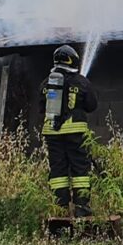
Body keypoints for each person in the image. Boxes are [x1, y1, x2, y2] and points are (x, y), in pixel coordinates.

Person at [42, 44, 98, 217]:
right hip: (75, 134)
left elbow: (40, 107)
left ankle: (61, 208)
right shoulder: (82, 82)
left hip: (52, 134)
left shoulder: (46, 83)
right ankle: (82, 208)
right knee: (80, 169)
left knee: (58, 171)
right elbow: (92, 105)